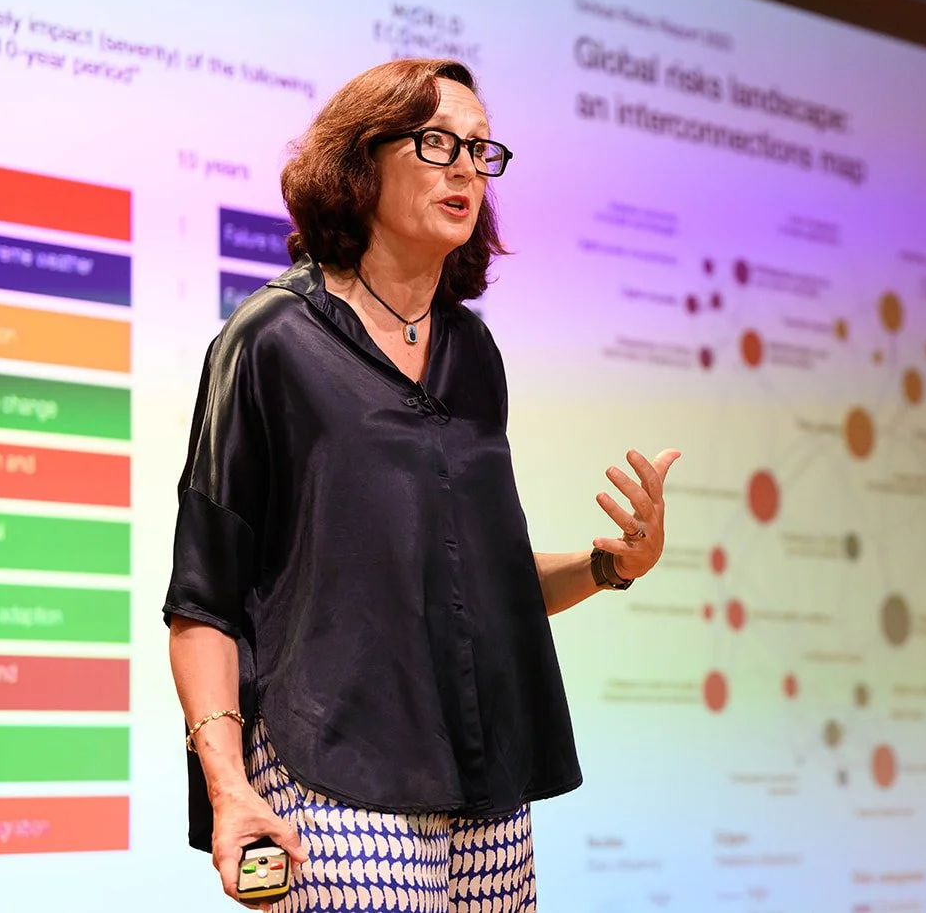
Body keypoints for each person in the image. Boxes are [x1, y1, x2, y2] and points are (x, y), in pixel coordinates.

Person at [164, 57, 679, 912]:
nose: (468, 168)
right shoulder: (271, 339)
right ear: (362, 161)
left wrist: (610, 565)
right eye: (439, 142)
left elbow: (486, 591)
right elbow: (204, 602)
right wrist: (228, 788)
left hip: (486, 787)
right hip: (333, 773)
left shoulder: (473, 355)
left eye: (482, 150)